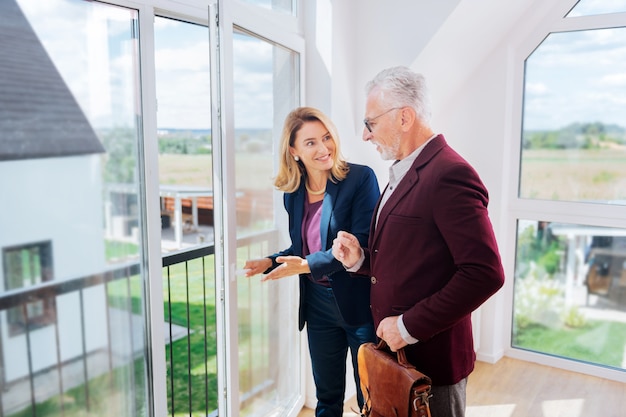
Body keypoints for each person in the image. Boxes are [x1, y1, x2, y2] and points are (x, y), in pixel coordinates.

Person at [331, 66, 505, 417]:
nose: (365, 135)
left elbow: (484, 273)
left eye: (370, 123)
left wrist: (408, 328)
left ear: (404, 118)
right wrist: (361, 260)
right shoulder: (402, 170)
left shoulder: (450, 174)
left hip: (431, 369)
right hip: (396, 359)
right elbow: (413, 257)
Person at [243, 107, 380, 417]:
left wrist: (305, 266)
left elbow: (360, 243)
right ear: (293, 151)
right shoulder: (293, 194)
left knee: (372, 399)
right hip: (318, 306)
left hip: (359, 305)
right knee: (328, 397)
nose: (323, 148)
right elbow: (301, 246)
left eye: (326, 138)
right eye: (310, 143)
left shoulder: (359, 178)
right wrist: (269, 260)